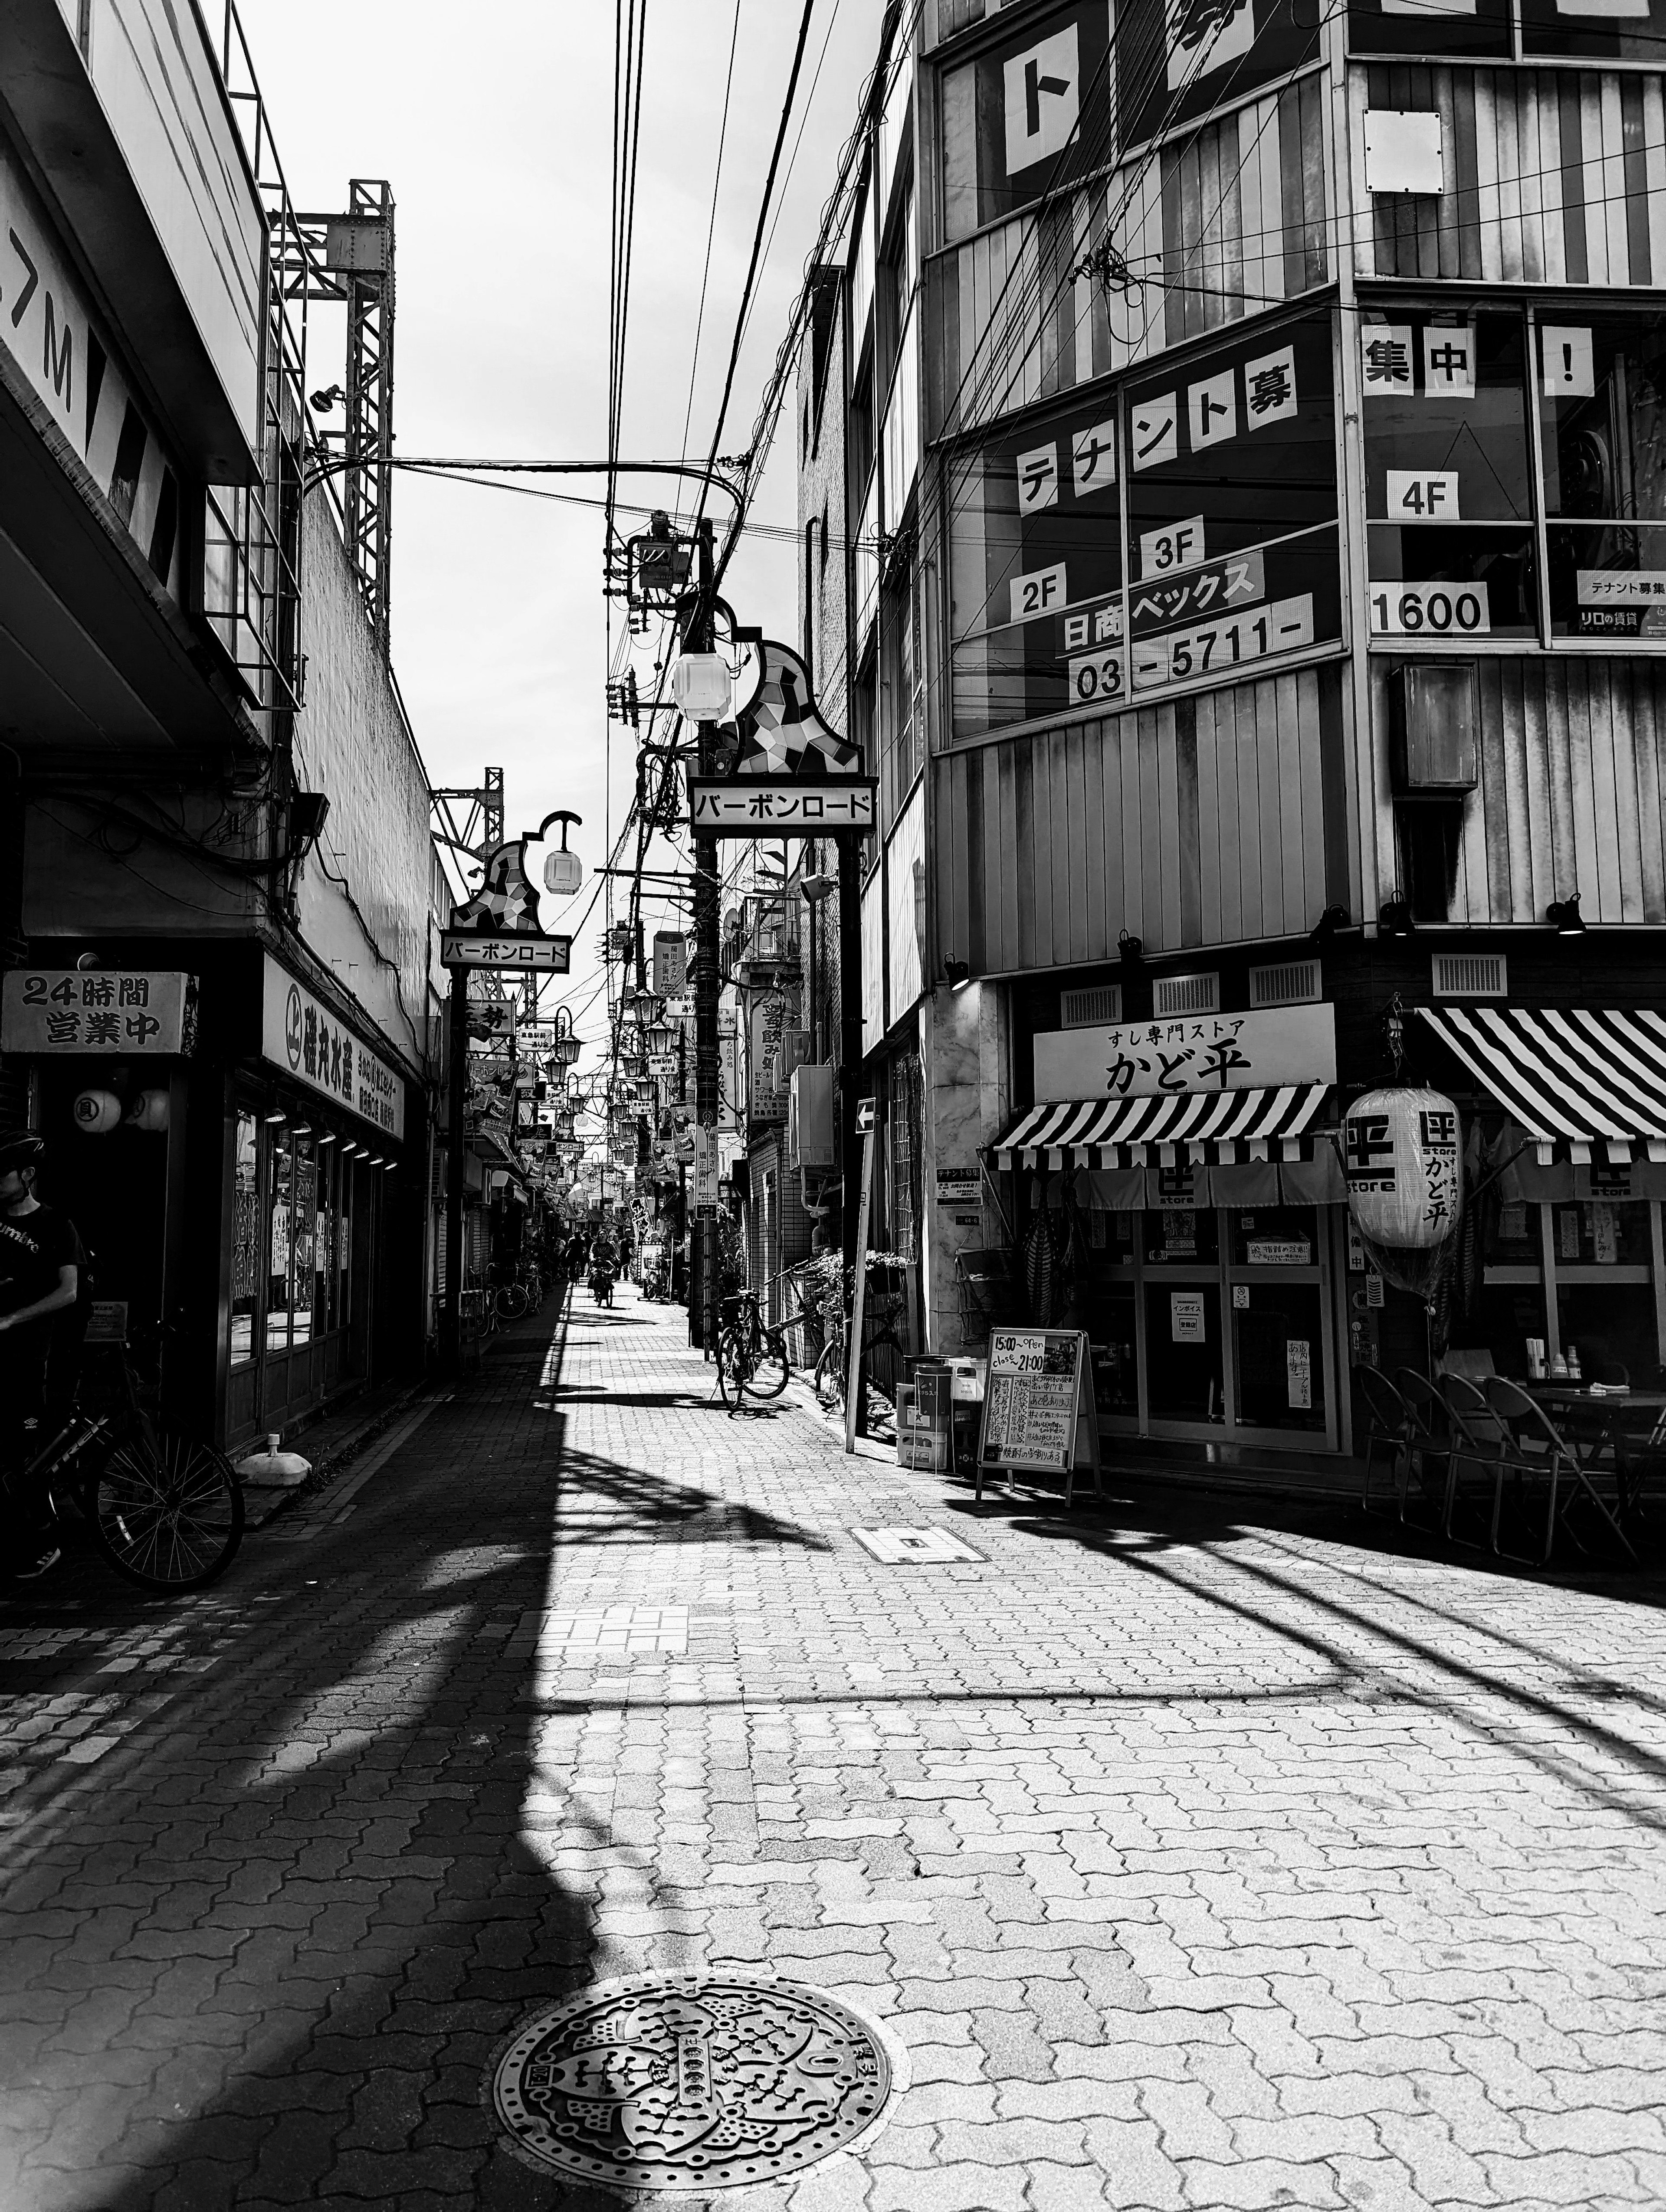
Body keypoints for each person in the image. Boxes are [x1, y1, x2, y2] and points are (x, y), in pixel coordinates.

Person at [0, 1132, 88, 1579]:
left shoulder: (56, 1226)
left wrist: (14, 1319)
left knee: (22, 1454)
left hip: (26, 1359)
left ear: (28, 1176)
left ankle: (42, 1536)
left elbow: (69, 1292)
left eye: (4, 1174)